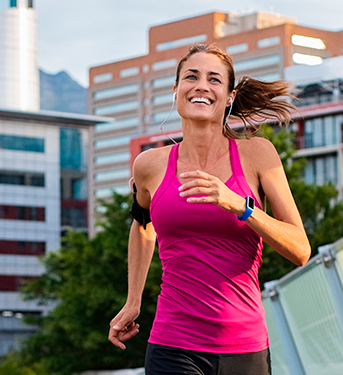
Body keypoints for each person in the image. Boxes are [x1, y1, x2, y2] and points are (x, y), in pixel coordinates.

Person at [106, 43, 311, 375]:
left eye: (214, 79)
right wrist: (133, 300)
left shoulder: (258, 155)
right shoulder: (150, 165)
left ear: (228, 96)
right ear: (176, 91)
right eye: (191, 76)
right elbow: (143, 224)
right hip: (173, 345)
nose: (201, 85)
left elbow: (300, 249)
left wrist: (238, 205)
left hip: (245, 348)